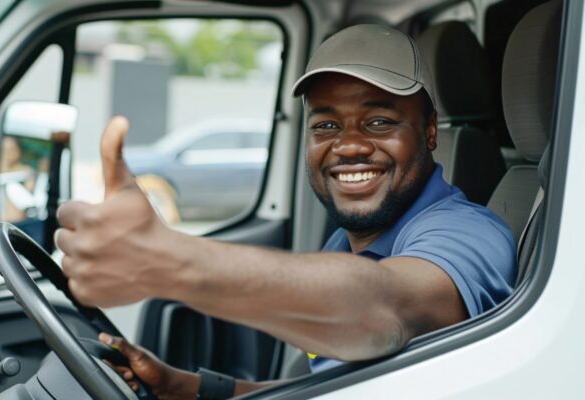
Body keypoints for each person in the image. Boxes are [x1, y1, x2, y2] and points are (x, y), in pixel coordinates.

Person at [55, 24, 515, 399]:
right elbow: (333, 387)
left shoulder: (471, 233)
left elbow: (382, 309)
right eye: (326, 125)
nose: (349, 145)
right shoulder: (350, 238)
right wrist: (184, 387)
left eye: (379, 122)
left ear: (430, 131)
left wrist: (166, 261)